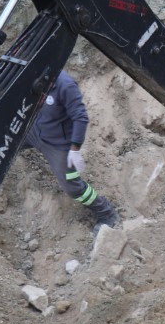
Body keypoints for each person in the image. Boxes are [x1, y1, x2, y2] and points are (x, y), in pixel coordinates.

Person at [27, 70, 120, 232]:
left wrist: (75, 149)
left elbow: (81, 117)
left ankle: (106, 213)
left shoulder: (66, 86)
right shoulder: (34, 75)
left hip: (58, 145)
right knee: (6, 138)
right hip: (35, 131)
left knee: (72, 187)